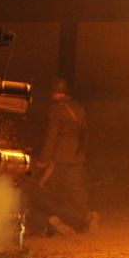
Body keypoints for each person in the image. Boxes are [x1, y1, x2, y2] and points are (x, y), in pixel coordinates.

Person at [31, 77, 94, 235]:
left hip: (59, 158)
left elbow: (51, 137)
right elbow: (85, 133)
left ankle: (57, 223)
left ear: (56, 93)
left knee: (54, 192)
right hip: (77, 156)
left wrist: (43, 159)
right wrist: (82, 152)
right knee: (76, 190)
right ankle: (86, 217)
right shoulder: (79, 108)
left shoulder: (56, 110)